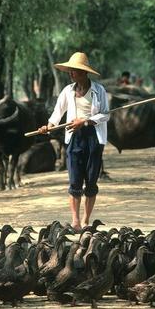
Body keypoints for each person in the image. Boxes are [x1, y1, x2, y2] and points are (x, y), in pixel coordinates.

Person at [38, 52, 109, 232]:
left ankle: (86, 220)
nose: (71, 73)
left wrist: (84, 121)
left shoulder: (98, 90)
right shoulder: (68, 91)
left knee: (91, 182)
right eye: (70, 70)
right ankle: (75, 221)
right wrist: (48, 126)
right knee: (75, 182)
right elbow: (57, 112)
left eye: (74, 70)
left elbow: (106, 114)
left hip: (94, 138)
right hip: (74, 139)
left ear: (84, 72)